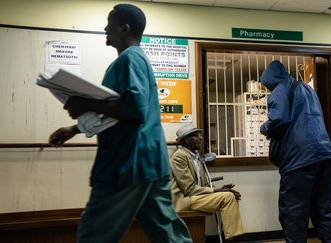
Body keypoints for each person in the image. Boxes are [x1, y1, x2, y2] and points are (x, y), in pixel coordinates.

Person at [48, 4, 192, 243]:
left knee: (93, 233)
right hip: (150, 160)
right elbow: (117, 111)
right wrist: (73, 129)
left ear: (124, 27)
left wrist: (85, 105)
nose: (105, 28)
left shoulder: (129, 60)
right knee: (167, 233)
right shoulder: (137, 60)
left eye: (109, 23)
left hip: (129, 162)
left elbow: (135, 109)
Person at [259, 60, 331, 243]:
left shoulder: (279, 90)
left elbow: (279, 119)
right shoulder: (307, 89)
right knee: (323, 209)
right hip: (323, 153)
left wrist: (264, 128)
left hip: (299, 158)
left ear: (270, 80)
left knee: (293, 212)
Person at [170, 124, 244, 241]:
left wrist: (219, 188)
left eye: (200, 135)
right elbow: (189, 189)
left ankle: (231, 236)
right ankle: (232, 239)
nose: (200, 138)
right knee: (227, 197)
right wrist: (217, 191)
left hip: (195, 196)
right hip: (184, 199)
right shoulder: (179, 157)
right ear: (186, 140)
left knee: (232, 196)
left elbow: (202, 185)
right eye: (195, 136)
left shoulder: (196, 157)